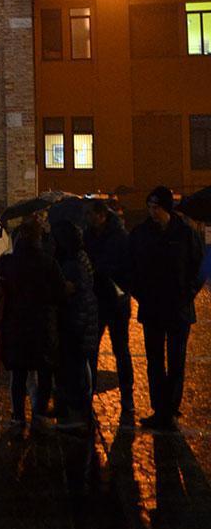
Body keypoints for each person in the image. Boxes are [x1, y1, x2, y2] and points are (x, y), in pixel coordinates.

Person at [129, 185, 204, 431]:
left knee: (176, 360)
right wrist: (140, 293)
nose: (152, 212)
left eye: (157, 207)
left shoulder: (185, 233)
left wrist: (188, 293)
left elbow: (199, 266)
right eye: (150, 207)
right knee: (154, 361)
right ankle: (159, 408)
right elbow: (131, 266)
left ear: (166, 209)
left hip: (178, 308)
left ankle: (170, 409)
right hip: (152, 307)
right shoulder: (142, 233)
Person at [0, 217, 67, 429]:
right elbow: (60, 294)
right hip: (42, 326)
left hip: (15, 325)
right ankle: (38, 414)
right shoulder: (48, 262)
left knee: (18, 375)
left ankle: (18, 416)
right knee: (44, 372)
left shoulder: (8, 262)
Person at [84, 199, 134, 423]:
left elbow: (127, 267)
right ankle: (88, 393)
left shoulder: (120, 237)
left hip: (116, 300)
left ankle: (127, 397)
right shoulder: (89, 235)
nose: (91, 221)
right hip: (98, 300)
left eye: (94, 216)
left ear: (102, 215)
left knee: (121, 349)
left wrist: (104, 270)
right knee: (91, 349)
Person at [51, 220, 100, 431]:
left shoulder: (73, 263)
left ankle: (79, 413)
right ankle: (76, 409)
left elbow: (70, 291)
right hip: (80, 322)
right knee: (76, 367)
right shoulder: (79, 257)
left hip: (75, 323)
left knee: (76, 368)